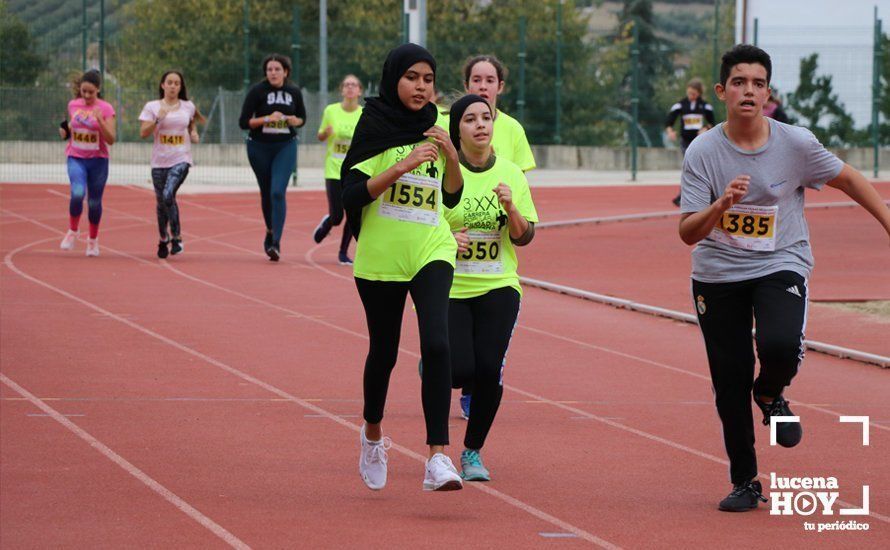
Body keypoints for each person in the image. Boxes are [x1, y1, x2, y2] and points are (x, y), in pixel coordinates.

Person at [678, 44, 890, 512]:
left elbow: (850, 179)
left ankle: (771, 391)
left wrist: (887, 220)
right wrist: (720, 207)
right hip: (718, 273)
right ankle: (746, 480)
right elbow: (686, 232)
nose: (748, 91)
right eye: (739, 82)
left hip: (781, 261)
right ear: (722, 91)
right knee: (729, 379)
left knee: (776, 343)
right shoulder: (703, 151)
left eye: (757, 83)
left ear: (767, 93)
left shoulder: (795, 144)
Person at [341, 43, 464, 492]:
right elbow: (350, 196)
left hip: (431, 247)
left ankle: (437, 457)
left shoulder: (439, 125)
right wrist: (404, 164)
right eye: (412, 77)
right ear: (394, 78)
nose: (421, 86)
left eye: (428, 79)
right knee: (385, 352)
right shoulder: (373, 124)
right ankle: (372, 435)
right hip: (381, 257)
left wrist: (451, 158)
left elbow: (451, 194)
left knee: (436, 343)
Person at [443, 94, 538, 481]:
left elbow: (525, 236)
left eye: (486, 117)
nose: (481, 124)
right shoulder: (443, 173)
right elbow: (424, 225)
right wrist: (450, 239)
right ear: (458, 130)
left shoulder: (512, 174)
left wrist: (512, 208)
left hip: (498, 284)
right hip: (450, 285)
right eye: (470, 119)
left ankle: (472, 451)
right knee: (457, 368)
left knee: (488, 370)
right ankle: (436, 361)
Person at [239, 53, 306, 261]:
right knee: (266, 192)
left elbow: (303, 118)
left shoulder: (294, 92)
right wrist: (267, 118)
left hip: (285, 146)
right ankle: (270, 230)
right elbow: (243, 122)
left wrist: (295, 121)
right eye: (269, 70)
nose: (273, 73)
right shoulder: (257, 92)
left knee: (278, 192)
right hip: (259, 147)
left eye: (277, 69)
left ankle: (276, 241)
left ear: (285, 72)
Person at [139, 71, 203, 258]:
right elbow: (143, 133)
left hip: (181, 159)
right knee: (161, 203)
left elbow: (191, 122)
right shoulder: (152, 107)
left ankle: (177, 237)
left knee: (168, 194)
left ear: (181, 87)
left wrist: (193, 133)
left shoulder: (188, 106)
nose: (173, 86)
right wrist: (158, 118)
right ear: (163, 85)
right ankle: (163, 238)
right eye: (170, 82)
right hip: (159, 162)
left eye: (177, 83)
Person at [58, 69, 116, 257]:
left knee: (93, 202)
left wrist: (100, 120)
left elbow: (111, 139)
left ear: (98, 89)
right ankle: (73, 231)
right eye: (84, 91)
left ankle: (92, 240)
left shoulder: (106, 108)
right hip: (76, 158)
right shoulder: (73, 105)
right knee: (77, 193)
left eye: (91, 92)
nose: (87, 95)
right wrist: (64, 132)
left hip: (98, 161)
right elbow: (71, 128)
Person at [312, 74, 363, 265]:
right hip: (334, 170)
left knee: (353, 214)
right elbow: (320, 136)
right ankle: (328, 222)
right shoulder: (331, 110)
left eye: (354, 85)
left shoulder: (363, 114)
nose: (350, 88)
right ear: (342, 90)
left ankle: (343, 252)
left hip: (354, 171)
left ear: (360, 91)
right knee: (337, 216)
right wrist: (325, 133)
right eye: (347, 85)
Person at [463, 55, 536, 173]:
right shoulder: (449, 124)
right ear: (466, 85)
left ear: (500, 86)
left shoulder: (514, 129)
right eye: (476, 80)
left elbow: (518, 182)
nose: (483, 86)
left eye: (490, 80)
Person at [666, 77, 716, 206]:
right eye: (689, 93)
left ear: (699, 93)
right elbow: (669, 120)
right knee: (688, 166)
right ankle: (682, 196)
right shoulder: (681, 105)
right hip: (685, 142)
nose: (691, 96)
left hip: (700, 142)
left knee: (703, 168)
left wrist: (705, 128)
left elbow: (712, 123)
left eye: (694, 94)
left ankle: (710, 195)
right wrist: (670, 130)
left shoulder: (705, 106)